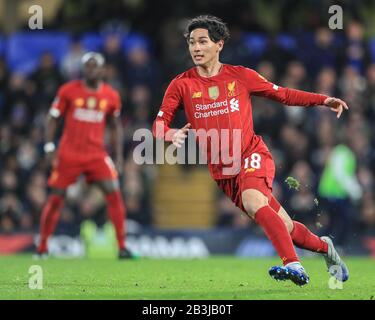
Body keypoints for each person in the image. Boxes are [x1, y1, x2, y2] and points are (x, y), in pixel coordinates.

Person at [152, 15, 349, 286]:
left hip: (251, 154)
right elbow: (159, 123)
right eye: (191, 43)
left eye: (202, 42)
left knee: (254, 201)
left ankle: (293, 265)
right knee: (286, 227)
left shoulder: (240, 76)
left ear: (219, 44)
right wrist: (169, 132)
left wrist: (323, 100)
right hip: (223, 171)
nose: (196, 48)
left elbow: (283, 94)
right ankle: (326, 248)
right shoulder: (181, 84)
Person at [36, 52, 135, 260]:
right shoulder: (68, 91)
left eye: (94, 66)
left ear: (103, 70)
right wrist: (48, 147)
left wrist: (117, 156)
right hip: (68, 154)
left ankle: (122, 247)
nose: (90, 69)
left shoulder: (111, 95)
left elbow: (115, 127)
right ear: (83, 69)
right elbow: (52, 118)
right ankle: (43, 247)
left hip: (96, 154)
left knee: (114, 192)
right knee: (56, 198)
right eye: (87, 66)